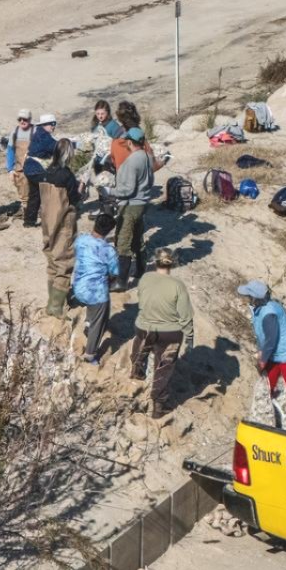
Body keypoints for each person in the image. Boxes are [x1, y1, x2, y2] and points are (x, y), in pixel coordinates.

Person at [131, 249, 195, 418]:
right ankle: (158, 405)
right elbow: (186, 316)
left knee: (140, 346)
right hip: (170, 333)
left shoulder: (145, 277)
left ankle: (137, 370)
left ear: (155, 261)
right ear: (172, 263)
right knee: (164, 367)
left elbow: (141, 297)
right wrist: (189, 338)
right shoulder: (177, 285)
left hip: (145, 328)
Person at [109, 126, 167, 287]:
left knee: (123, 242)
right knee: (137, 237)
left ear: (129, 142)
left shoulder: (133, 160)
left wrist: (110, 191)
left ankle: (121, 282)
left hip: (131, 205)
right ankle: (141, 270)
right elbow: (150, 180)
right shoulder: (148, 156)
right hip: (142, 202)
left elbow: (127, 189)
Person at [241, 281, 286, 413]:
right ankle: (269, 413)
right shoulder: (261, 308)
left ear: (255, 298)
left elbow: (271, 340)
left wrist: (262, 361)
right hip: (275, 354)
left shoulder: (269, 314)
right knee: (267, 386)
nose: (246, 298)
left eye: (248, 296)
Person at [34, 138, 82, 318]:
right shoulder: (66, 175)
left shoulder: (46, 172)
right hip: (63, 223)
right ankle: (55, 306)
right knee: (64, 261)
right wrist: (81, 189)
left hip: (47, 222)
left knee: (52, 260)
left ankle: (55, 299)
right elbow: (74, 199)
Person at [73, 215, 120, 366]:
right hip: (96, 293)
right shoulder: (108, 250)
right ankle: (90, 354)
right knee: (100, 320)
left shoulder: (81, 240)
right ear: (110, 231)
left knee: (93, 304)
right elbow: (114, 273)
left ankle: (88, 322)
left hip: (78, 286)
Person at [5, 109, 35, 225]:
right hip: (20, 169)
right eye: (20, 119)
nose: (22, 121)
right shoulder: (15, 132)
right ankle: (27, 215)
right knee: (23, 194)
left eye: (25, 119)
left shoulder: (35, 131)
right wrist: (10, 169)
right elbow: (10, 151)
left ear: (30, 120)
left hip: (34, 168)